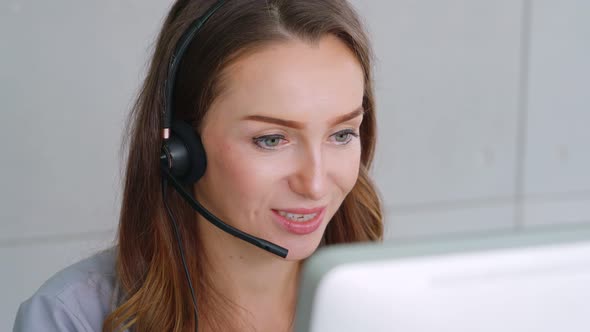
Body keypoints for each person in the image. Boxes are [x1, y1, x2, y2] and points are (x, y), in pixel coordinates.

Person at [13, 0, 383, 331]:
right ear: (180, 150)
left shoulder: (393, 299)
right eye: (271, 139)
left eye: (342, 134)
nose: (315, 184)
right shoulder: (69, 319)